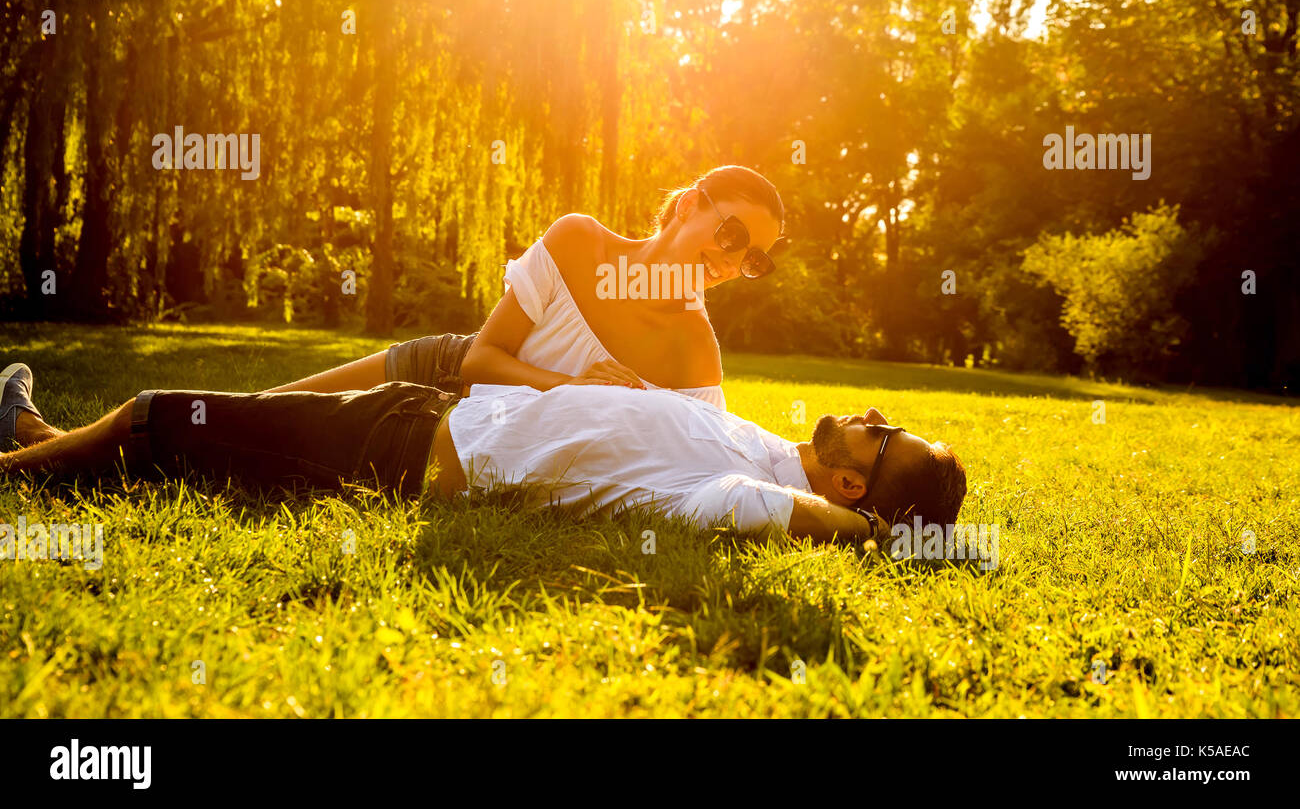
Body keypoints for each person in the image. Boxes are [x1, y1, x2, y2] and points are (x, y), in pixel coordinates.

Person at [4, 165, 783, 453]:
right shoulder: (578, 241)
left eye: (752, 258)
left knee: (247, 437)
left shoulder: (694, 351)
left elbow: (706, 458)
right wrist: (577, 388)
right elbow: (481, 358)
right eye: (732, 231)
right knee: (245, 410)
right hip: (451, 364)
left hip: (469, 432)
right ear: (688, 203)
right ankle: (45, 444)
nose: (732, 259)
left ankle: (34, 438)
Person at [0, 368, 966, 545]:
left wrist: (869, 531)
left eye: (885, 435)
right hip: (431, 413)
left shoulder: (749, 492)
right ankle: (47, 443)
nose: (873, 414)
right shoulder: (766, 445)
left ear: (851, 483)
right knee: (206, 440)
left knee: (168, 415)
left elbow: (767, 515)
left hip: (401, 455)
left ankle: (21, 462)